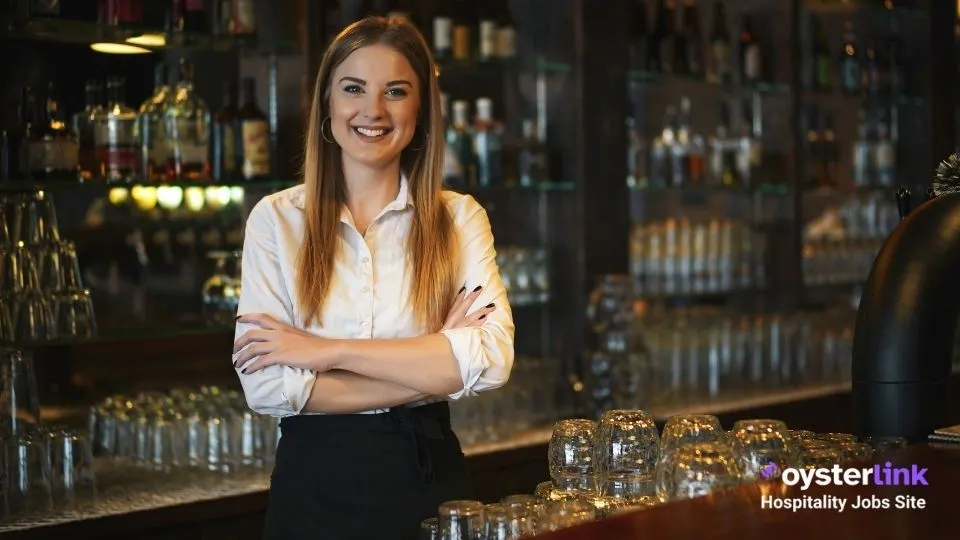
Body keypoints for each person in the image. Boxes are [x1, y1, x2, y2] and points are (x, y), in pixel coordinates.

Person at [230, 15, 515, 540]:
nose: (373, 110)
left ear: (421, 110)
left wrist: (324, 352)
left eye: (396, 91)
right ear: (327, 106)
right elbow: (267, 385)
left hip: (430, 490)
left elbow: (491, 361)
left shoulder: (460, 218)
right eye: (353, 88)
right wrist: (434, 361)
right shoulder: (275, 220)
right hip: (312, 494)